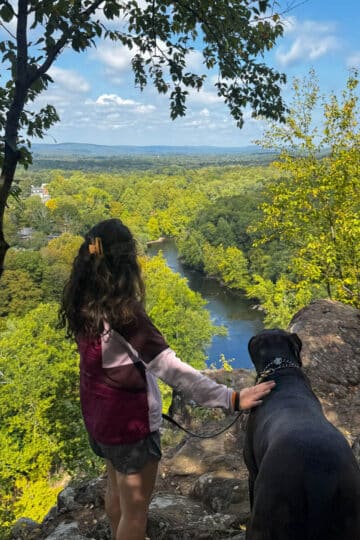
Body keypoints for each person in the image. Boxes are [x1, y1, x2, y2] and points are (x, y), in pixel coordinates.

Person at [59, 218, 275, 540]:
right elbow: (171, 369)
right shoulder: (125, 315)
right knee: (136, 513)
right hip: (129, 427)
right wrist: (231, 398)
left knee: (116, 490)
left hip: (99, 421)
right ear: (126, 262)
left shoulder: (82, 304)